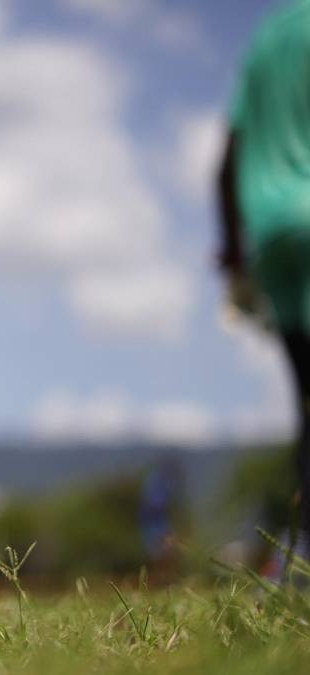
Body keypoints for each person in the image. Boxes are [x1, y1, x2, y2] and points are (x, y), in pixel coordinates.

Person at [218, 0, 310, 558]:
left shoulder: (269, 36)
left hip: (271, 232)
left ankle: (302, 554)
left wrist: (233, 255)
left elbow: (227, 160)